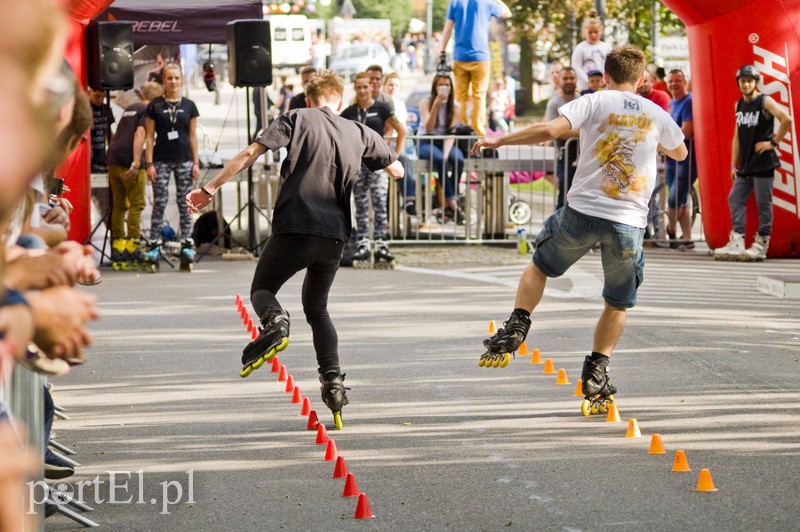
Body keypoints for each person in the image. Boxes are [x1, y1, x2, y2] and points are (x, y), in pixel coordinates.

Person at [471, 45, 687, 414]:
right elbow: (680, 152)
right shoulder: (656, 113)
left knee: (540, 265)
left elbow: (549, 130)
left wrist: (499, 138)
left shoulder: (594, 101)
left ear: (605, 74)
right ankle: (596, 372)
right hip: (628, 224)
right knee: (617, 302)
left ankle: (517, 325)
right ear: (641, 80)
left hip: (582, 212)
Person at [185, 71, 403, 427]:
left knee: (263, 289)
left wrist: (208, 189)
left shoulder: (296, 117)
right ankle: (333, 383)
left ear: (308, 99)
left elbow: (250, 153)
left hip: (295, 226)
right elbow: (397, 171)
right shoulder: (359, 131)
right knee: (317, 308)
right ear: (339, 97)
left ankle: (276, 321)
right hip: (335, 235)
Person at [715, 65, 792, 261]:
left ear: (756, 82)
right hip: (746, 164)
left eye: (750, 81)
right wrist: (734, 165)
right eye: (743, 81)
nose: (747, 84)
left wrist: (773, 143)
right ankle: (738, 240)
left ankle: (762, 243)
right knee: (735, 198)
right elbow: (737, 137)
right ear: (739, 83)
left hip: (763, 162)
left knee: (763, 203)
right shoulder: (738, 105)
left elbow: (786, 119)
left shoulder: (764, 101)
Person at [340, 72, 407, 268]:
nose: (362, 90)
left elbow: (401, 131)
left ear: (371, 87)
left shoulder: (382, 108)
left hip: (378, 164)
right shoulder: (349, 112)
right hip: (358, 165)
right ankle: (362, 244)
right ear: (355, 89)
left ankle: (381, 244)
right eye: (358, 87)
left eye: (365, 87)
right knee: (360, 205)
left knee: (379, 203)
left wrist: (393, 154)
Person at [106, 82, 163, 267]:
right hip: (129, 161)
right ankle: (132, 246)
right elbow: (140, 134)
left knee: (119, 204)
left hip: (113, 158)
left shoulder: (131, 108)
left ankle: (117, 245)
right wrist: (137, 163)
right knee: (137, 204)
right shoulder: (148, 110)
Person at [145, 63, 200, 253]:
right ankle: (153, 241)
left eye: (177, 78)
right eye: (170, 78)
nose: (173, 82)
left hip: (184, 159)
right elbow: (149, 136)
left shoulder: (189, 105)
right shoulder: (155, 105)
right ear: (164, 81)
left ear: (182, 80)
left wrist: (196, 162)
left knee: (185, 202)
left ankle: (187, 240)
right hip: (160, 160)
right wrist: (149, 163)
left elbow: (193, 135)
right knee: (160, 201)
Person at [439, 0, 512, 136]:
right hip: (481, 56)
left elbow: (448, 28)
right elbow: (507, 13)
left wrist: (442, 51)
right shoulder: (487, 2)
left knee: (460, 97)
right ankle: (478, 135)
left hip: (460, 56)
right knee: (479, 97)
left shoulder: (455, 2)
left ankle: (461, 131)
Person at [418, 73, 466, 222]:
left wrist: (446, 154)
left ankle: (449, 201)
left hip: (446, 141)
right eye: (441, 85)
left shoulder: (456, 106)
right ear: (435, 87)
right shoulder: (425, 103)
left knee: (458, 159)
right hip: (426, 140)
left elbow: (451, 134)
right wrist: (436, 105)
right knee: (439, 159)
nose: (444, 88)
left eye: (447, 85)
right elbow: (429, 128)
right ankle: (452, 203)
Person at [664, 69, 698, 248]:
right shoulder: (671, 102)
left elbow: (687, 131)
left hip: (687, 158)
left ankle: (670, 230)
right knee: (681, 200)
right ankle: (687, 237)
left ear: (684, 82)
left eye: (677, 81)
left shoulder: (689, 101)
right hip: (671, 158)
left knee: (674, 200)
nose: (674, 84)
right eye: (671, 81)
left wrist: (664, 142)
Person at [383, 72, 418, 216]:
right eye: (390, 84)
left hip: (397, 144)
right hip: (382, 143)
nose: (393, 88)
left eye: (396, 85)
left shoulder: (400, 104)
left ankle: (409, 199)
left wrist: (397, 151)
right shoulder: (380, 102)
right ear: (384, 86)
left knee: (403, 159)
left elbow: (402, 129)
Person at [545, 67, 580, 210]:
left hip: (584, 154)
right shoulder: (554, 104)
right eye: (565, 78)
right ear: (559, 81)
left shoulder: (583, 100)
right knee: (565, 195)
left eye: (571, 78)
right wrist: (581, 133)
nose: (569, 81)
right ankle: (558, 229)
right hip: (565, 156)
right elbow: (556, 132)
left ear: (576, 80)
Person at [571, 13, 612, 92]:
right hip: (586, 88)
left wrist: (605, 81)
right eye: (590, 32)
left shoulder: (606, 47)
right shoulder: (580, 48)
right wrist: (589, 82)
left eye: (596, 32)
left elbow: (611, 66)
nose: (593, 35)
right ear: (584, 32)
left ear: (601, 32)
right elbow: (576, 67)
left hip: (604, 86)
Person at [87, 86, 114, 173]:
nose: (100, 100)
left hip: (101, 155)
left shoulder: (106, 109)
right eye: (97, 96)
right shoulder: (86, 109)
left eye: (102, 97)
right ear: (89, 93)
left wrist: (111, 149)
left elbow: (109, 131)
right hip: (87, 155)